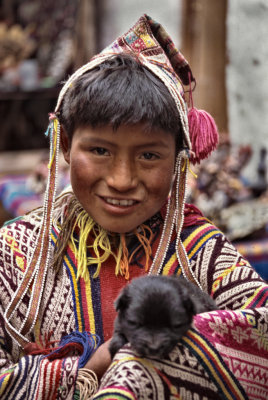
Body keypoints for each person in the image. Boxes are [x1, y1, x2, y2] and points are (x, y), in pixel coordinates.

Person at [0, 14, 267, 400]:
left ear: (179, 160)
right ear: (64, 145)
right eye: (99, 150)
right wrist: (95, 367)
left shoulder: (201, 252)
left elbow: (259, 336)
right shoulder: (15, 255)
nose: (122, 179)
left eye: (148, 155)